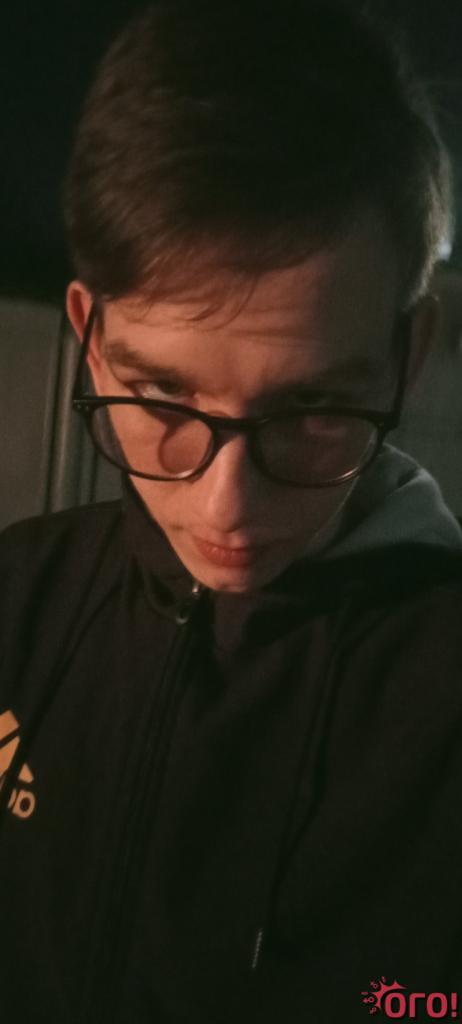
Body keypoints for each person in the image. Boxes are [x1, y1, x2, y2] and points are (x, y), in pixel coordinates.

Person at [1, 1, 462, 1021]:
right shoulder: (15, 596)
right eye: (162, 401)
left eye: (313, 410)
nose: (229, 509)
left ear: (408, 355)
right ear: (90, 341)